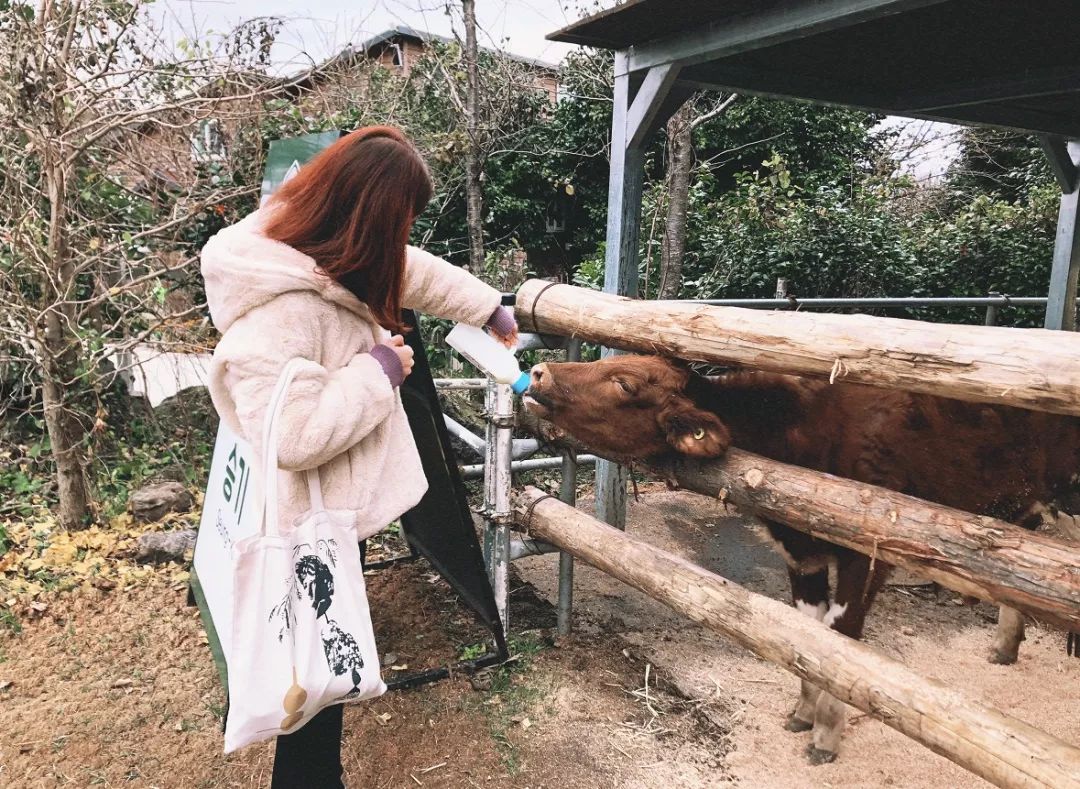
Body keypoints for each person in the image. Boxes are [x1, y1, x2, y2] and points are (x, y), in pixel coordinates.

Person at [200, 125, 518, 788]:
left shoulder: (310, 246)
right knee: (313, 680)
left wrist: (488, 306)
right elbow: (293, 436)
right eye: (398, 222)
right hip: (307, 524)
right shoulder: (276, 309)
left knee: (323, 678)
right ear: (365, 218)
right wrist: (378, 370)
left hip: (334, 514)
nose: (401, 239)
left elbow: (409, 268)